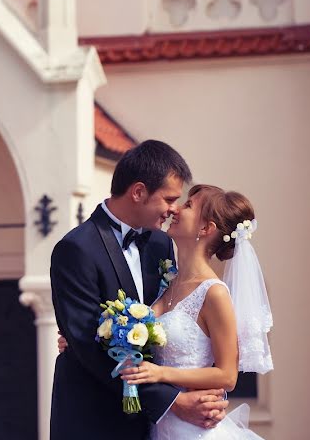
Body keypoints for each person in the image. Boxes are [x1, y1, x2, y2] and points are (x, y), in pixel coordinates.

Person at [50, 140, 228, 439]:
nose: (174, 210)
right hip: (95, 419)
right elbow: (89, 347)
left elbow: (177, 325)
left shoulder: (160, 244)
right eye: (170, 199)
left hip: (156, 427)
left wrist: (205, 393)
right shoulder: (75, 249)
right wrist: (171, 402)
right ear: (138, 192)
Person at [119, 184, 273, 439]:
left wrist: (160, 373)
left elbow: (227, 375)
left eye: (189, 205)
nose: (176, 209)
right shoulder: (167, 283)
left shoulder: (214, 293)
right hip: (160, 424)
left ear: (206, 228)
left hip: (195, 430)